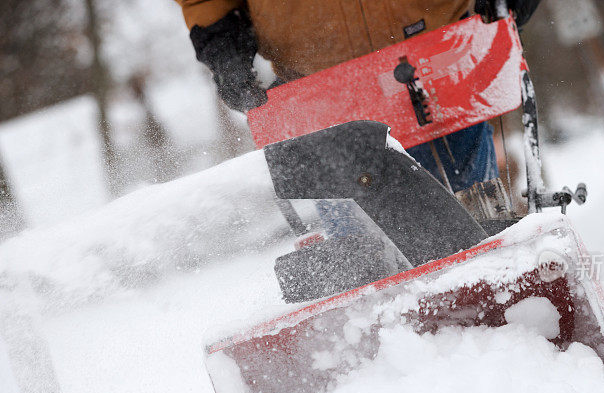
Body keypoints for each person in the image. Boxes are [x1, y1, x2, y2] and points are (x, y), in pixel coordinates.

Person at [174, 0, 540, 236]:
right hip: (317, 86)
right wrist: (220, 43)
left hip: (440, 56)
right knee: (363, 253)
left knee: (481, 226)